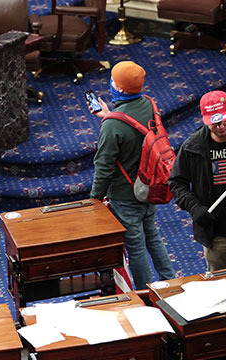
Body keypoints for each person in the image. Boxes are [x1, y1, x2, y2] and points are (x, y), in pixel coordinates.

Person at [88, 61, 175, 290]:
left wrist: (95, 198)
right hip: (151, 186)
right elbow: (134, 130)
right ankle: (171, 281)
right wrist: (108, 115)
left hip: (126, 196)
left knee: (136, 247)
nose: (112, 84)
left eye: (114, 81)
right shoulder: (149, 103)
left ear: (121, 89)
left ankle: (147, 292)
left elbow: (104, 166)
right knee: (153, 237)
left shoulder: (112, 126)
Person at [169, 90, 226, 272]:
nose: (220, 126)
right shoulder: (193, 146)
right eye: (213, 122)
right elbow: (176, 182)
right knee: (220, 288)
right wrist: (194, 207)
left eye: (223, 120)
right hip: (216, 234)